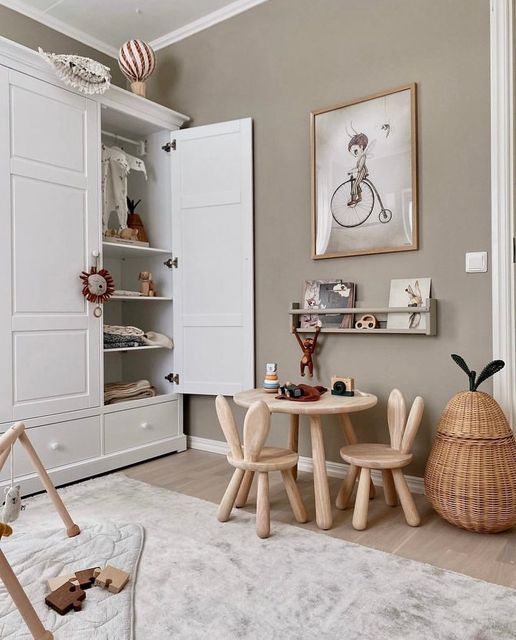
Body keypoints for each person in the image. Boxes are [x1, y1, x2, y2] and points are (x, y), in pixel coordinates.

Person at [347, 132, 369, 207]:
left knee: (355, 185)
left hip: (362, 172)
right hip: (360, 171)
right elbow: (357, 167)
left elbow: (359, 168)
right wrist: (351, 171)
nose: (355, 154)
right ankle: (359, 198)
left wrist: (352, 171)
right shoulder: (360, 157)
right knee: (357, 184)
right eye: (354, 152)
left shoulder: (363, 156)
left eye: (356, 151)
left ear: (361, 147)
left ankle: (353, 200)